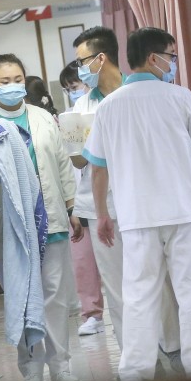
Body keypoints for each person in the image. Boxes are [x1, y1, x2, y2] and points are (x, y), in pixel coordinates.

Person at [82, 27, 191, 381]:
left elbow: (98, 168)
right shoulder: (180, 97)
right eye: (171, 57)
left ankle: (134, 375)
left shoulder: (108, 108)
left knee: (139, 298)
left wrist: (102, 215)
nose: (173, 64)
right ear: (154, 57)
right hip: (187, 211)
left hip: (136, 217)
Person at [0, 54, 84, 381]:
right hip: (10, 227)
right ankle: (31, 370)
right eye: (4, 81)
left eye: (18, 79)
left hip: (51, 221)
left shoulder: (44, 118)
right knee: (20, 296)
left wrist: (73, 208)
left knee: (54, 297)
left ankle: (61, 367)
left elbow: (61, 166)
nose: (13, 86)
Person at [58, 63, 106, 336]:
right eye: (67, 89)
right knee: (83, 262)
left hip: (106, 196)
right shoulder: (71, 117)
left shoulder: (106, 105)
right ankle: (92, 314)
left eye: (74, 87)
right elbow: (71, 164)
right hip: (81, 199)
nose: (71, 92)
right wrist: (72, 205)